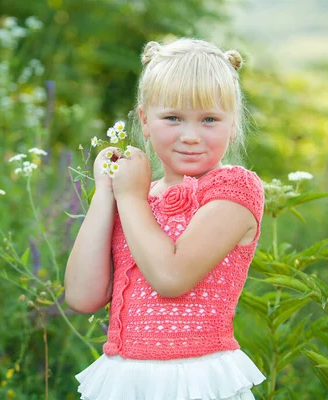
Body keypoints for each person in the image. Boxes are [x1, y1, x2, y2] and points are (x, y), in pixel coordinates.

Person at [64, 37, 266, 400]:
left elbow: (171, 278)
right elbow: (82, 296)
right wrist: (105, 194)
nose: (190, 136)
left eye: (209, 120)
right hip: (127, 381)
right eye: (173, 118)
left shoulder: (234, 189)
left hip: (196, 380)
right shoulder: (137, 196)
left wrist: (128, 196)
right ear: (144, 120)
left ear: (232, 123)